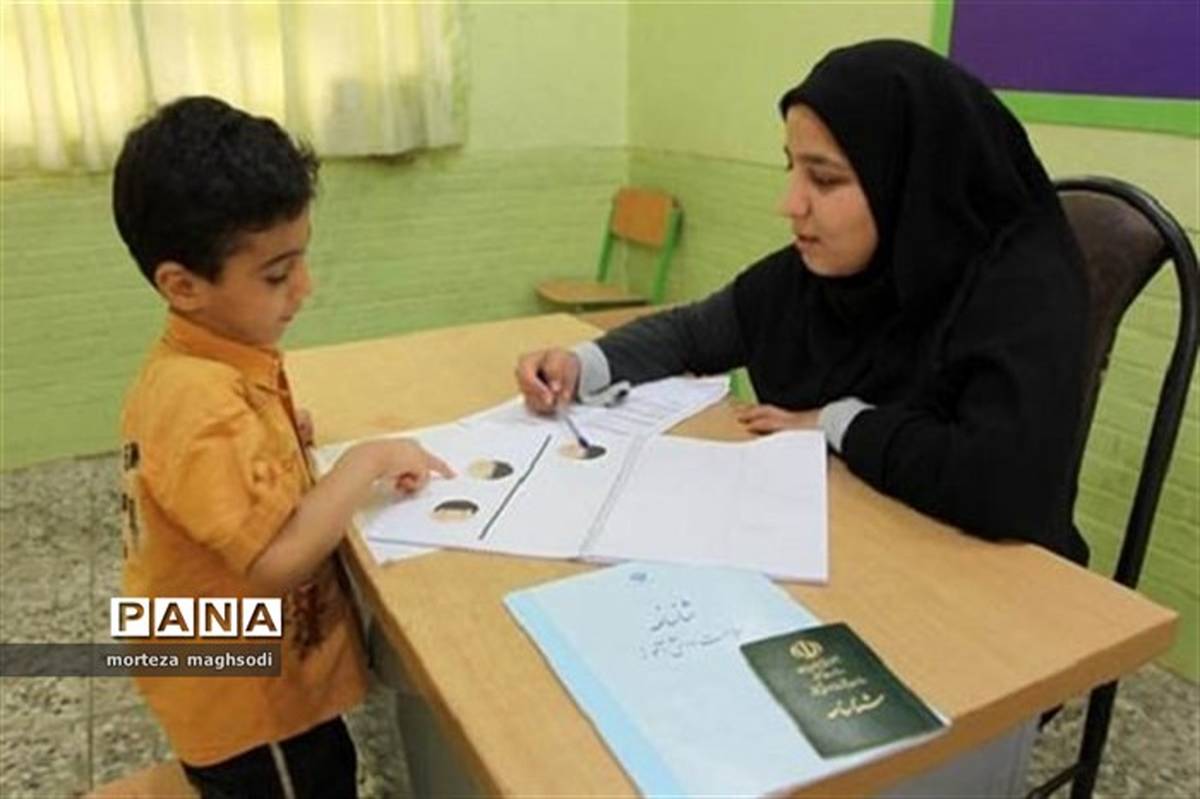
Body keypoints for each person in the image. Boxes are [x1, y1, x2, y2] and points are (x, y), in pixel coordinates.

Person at [516, 40, 1089, 565]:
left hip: (990, 581)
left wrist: (836, 421)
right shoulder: (819, 272)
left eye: (826, 180)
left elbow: (998, 484)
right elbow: (692, 333)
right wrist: (582, 365)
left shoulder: (1025, 286)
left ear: (909, 182)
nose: (789, 204)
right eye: (792, 167)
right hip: (846, 548)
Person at [113, 96, 452, 798]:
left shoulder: (203, 364)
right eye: (276, 274)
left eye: (302, 261)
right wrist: (365, 463)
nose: (305, 287)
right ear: (182, 285)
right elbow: (272, 563)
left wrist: (276, 437)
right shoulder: (200, 401)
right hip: (245, 697)